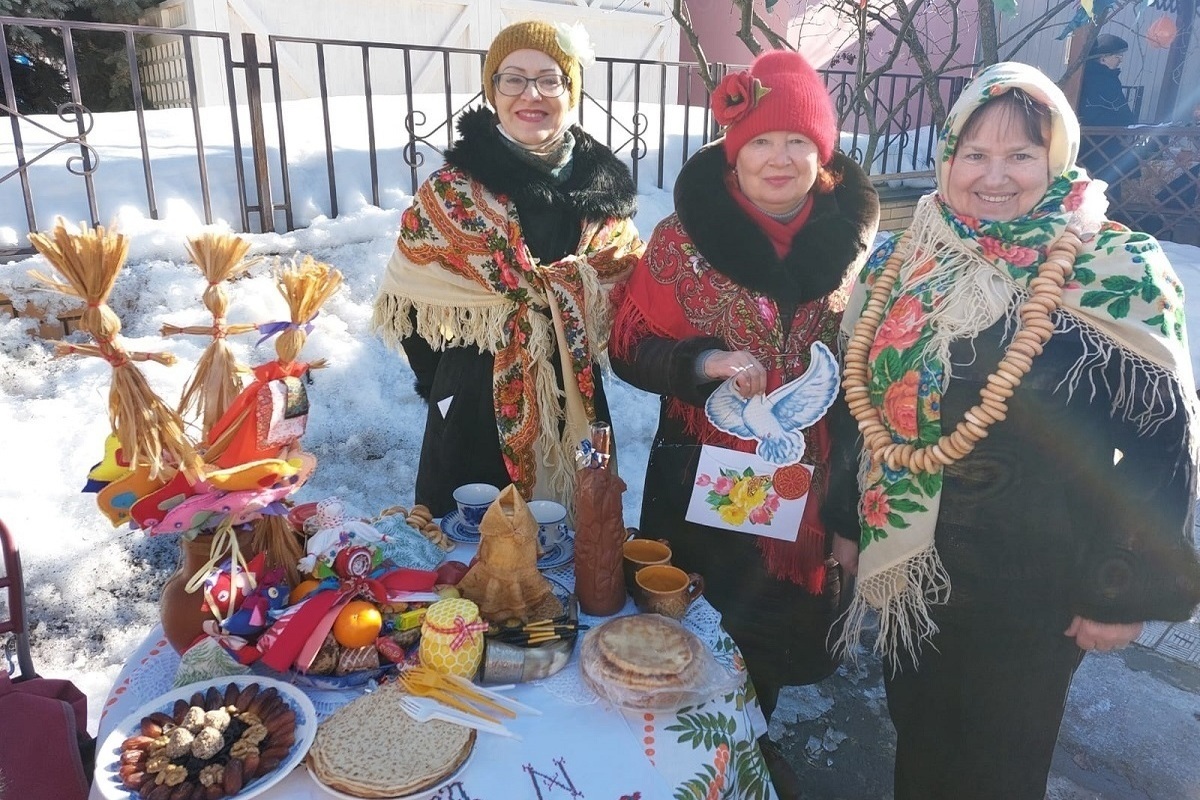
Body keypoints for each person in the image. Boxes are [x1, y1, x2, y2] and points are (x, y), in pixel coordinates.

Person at [827, 62, 1200, 800]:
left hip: (1039, 582)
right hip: (920, 573)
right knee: (921, 736)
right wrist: (845, 521)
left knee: (1001, 764)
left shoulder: (1115, 267)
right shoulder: (905, 262)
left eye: (1022, 156)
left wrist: (1118, 589)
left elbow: (1161, 448)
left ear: (1055, 160)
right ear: (948, 159)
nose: (995, 177)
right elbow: (858, 403)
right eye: (976, 154)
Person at [609, 49, 880, 795]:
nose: (778, 158)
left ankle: (751, 742)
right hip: (705, 474)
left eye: (797, 141)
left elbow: (870, 378)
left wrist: (853, 510)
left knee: (777, 627)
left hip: (808, 482)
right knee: (698, 616)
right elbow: (628, 344)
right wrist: (703, 364)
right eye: (759, 140)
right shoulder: (679, 241)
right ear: (734, 150)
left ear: (822, 153)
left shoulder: (857, 252)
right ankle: (690, 757)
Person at [372, 20, 643, 517]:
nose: (530, 94)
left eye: (549, 78)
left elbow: (631, 309)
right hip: (472, 403)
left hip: (575, 401)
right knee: (467, 557)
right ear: (492, 91)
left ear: (571, 90)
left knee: (580, 542)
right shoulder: (450, 194)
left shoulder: (605, 203)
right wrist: (447, 391)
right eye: (513, 78)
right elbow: (410, 310)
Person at [1077, 34, 1137, 191]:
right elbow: (1111, 110)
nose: (1120, 59)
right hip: (1101, 143)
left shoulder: (1100, 77)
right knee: (1108, 186)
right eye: (1117, 56)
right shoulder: (1100, 80)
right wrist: (1127, 124)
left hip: (1100, 142)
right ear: (1103, 59)